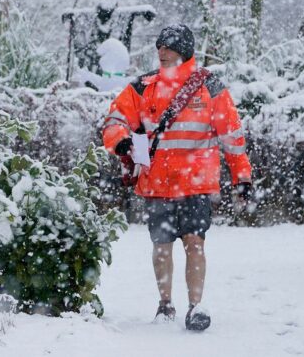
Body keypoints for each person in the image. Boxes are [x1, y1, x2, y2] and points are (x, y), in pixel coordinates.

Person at [102, 24, 253, 331]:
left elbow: (231, 135)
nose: (162, 52)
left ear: (184, 51)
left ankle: (196, 306)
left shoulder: (209, 87)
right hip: (157, 183)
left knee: (195, 243)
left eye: (169, 46)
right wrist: (119, 138)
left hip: (196, 184)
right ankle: (164, 304)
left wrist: (242, 175)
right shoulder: (144, 87)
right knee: (161, 245)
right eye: (159, 47)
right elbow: (115, 117)